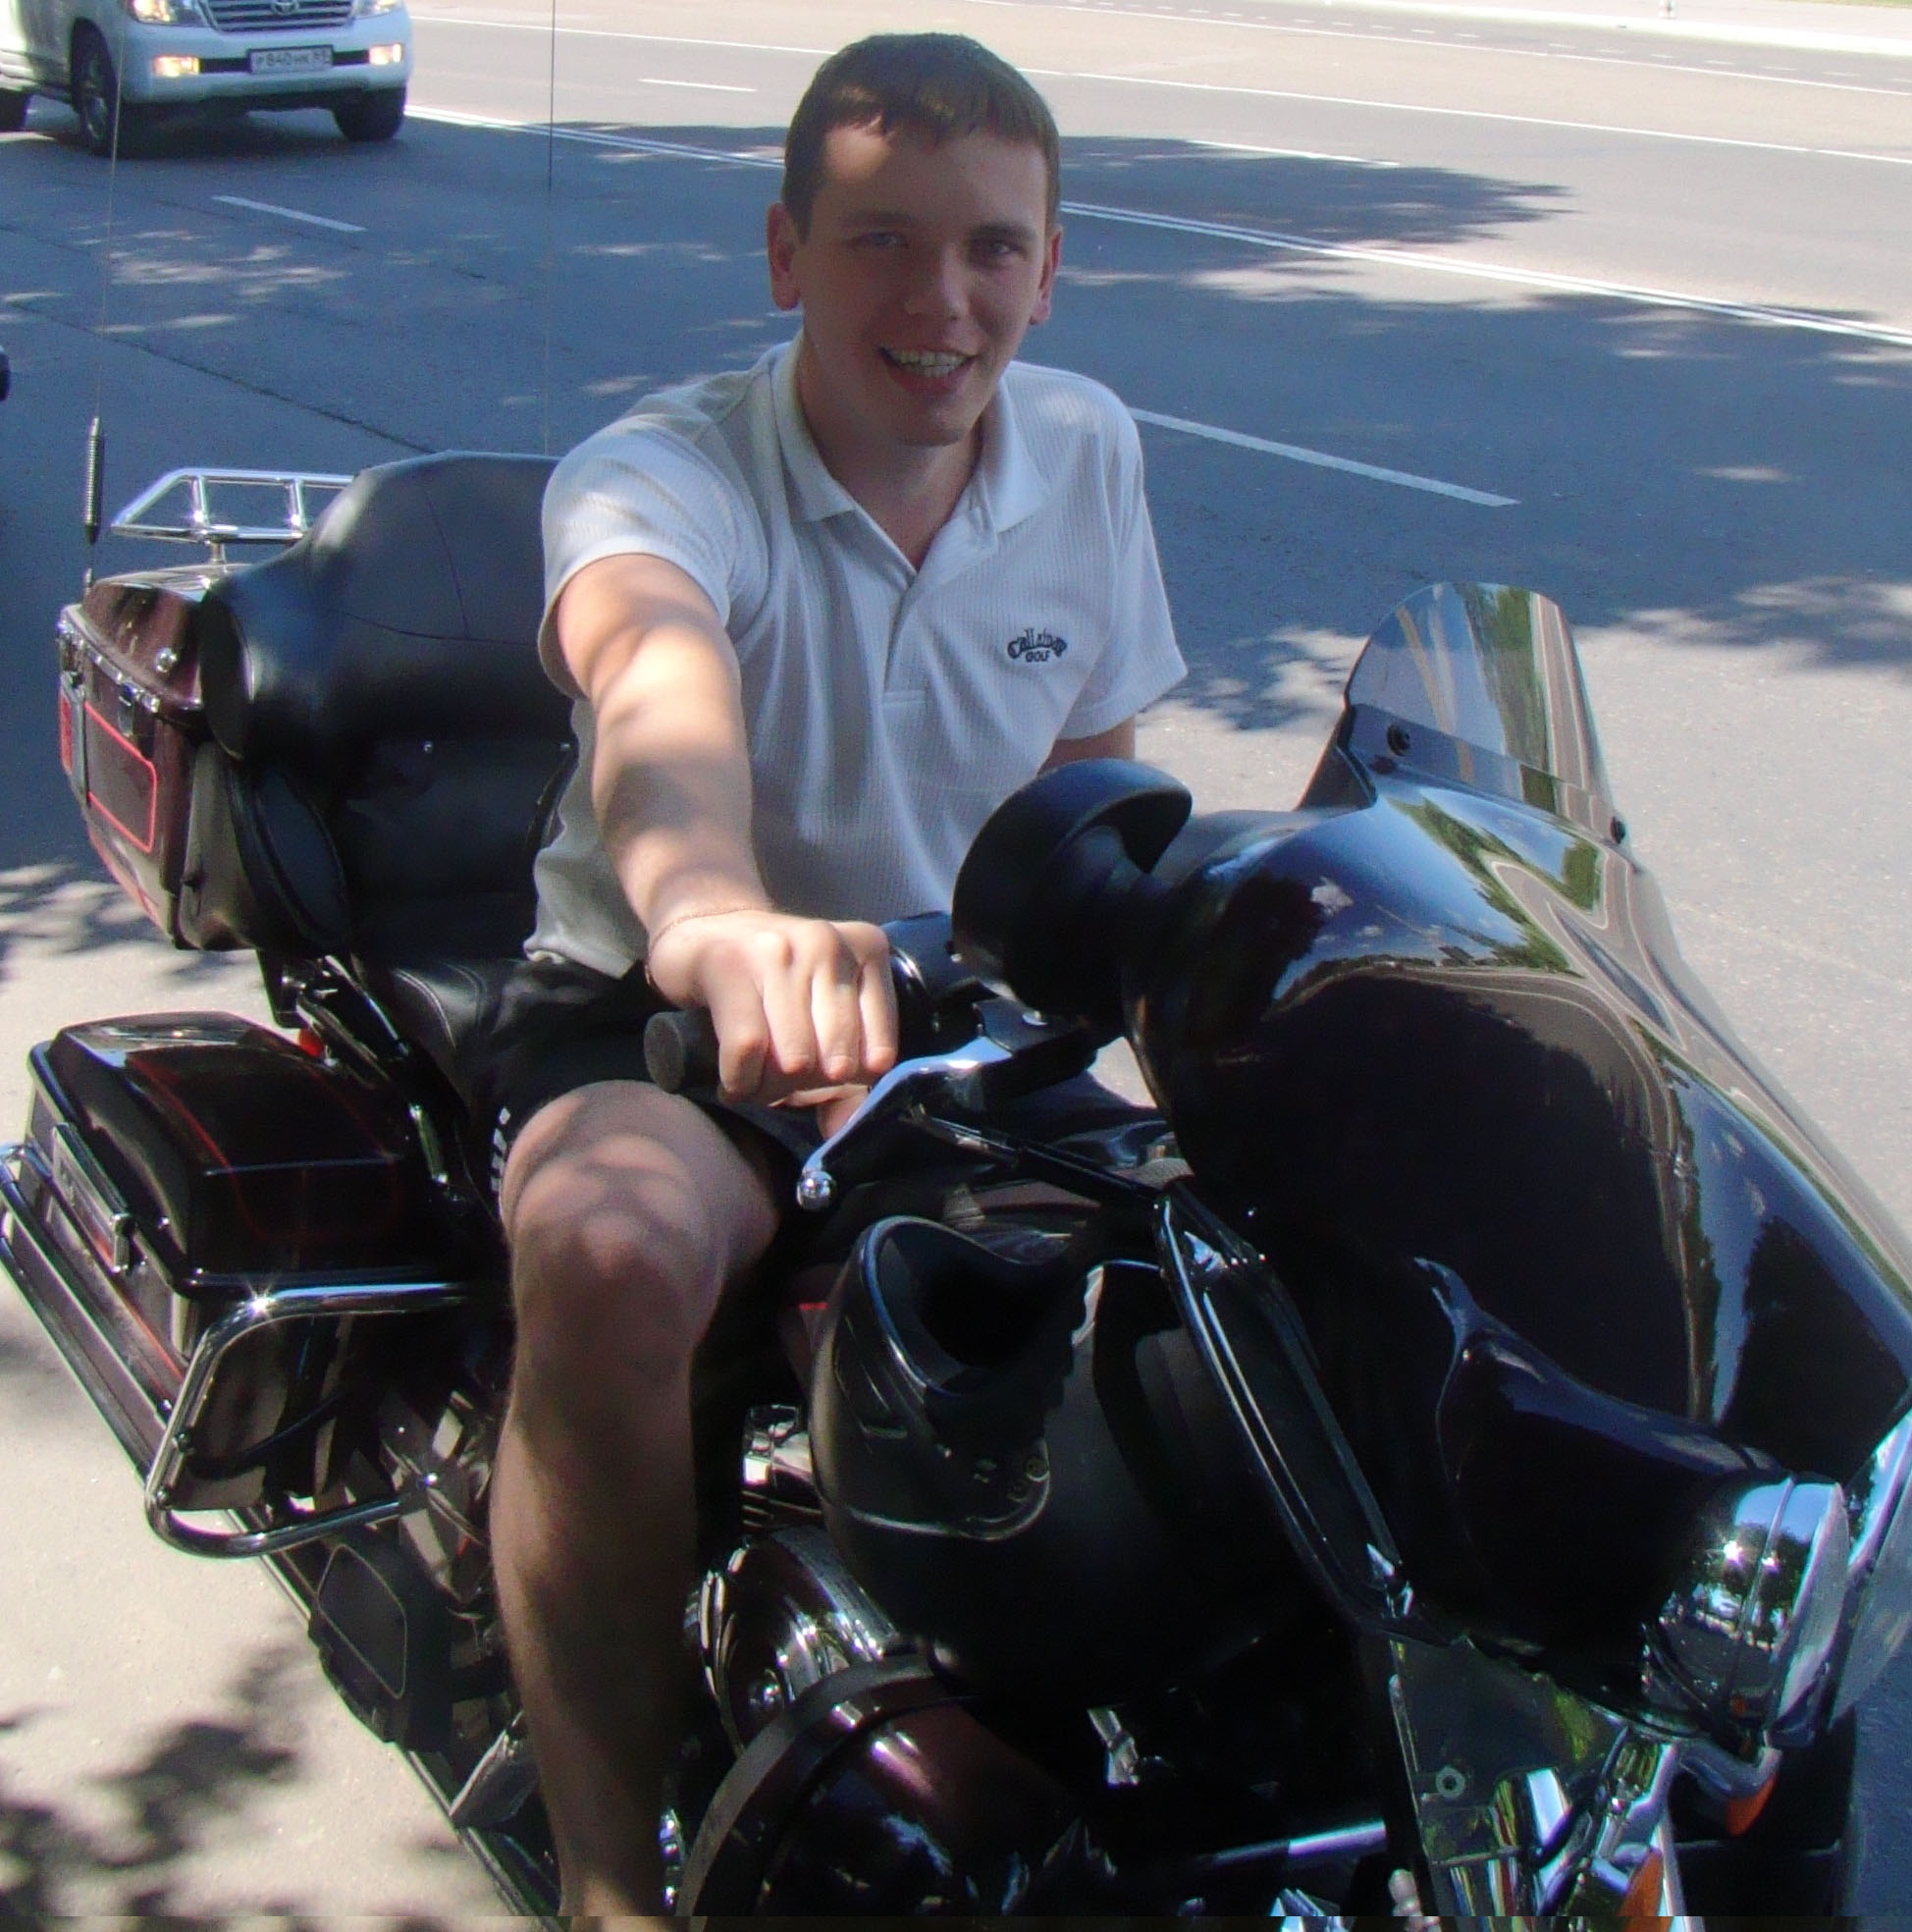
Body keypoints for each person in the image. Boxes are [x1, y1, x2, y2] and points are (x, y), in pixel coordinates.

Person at [482, 32, 1186, 1914]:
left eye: (991, 247)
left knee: (1241, 1273)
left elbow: (1089, 792)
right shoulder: (660, 474)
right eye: (882, 240)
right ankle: (607, 1874)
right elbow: (652, 680)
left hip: (948, 1032)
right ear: (787, 252)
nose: (941, 300)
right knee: (610, 1251)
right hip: (659, 1007)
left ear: (1051, 267)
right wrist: (717, 914)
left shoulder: (1088, 449)